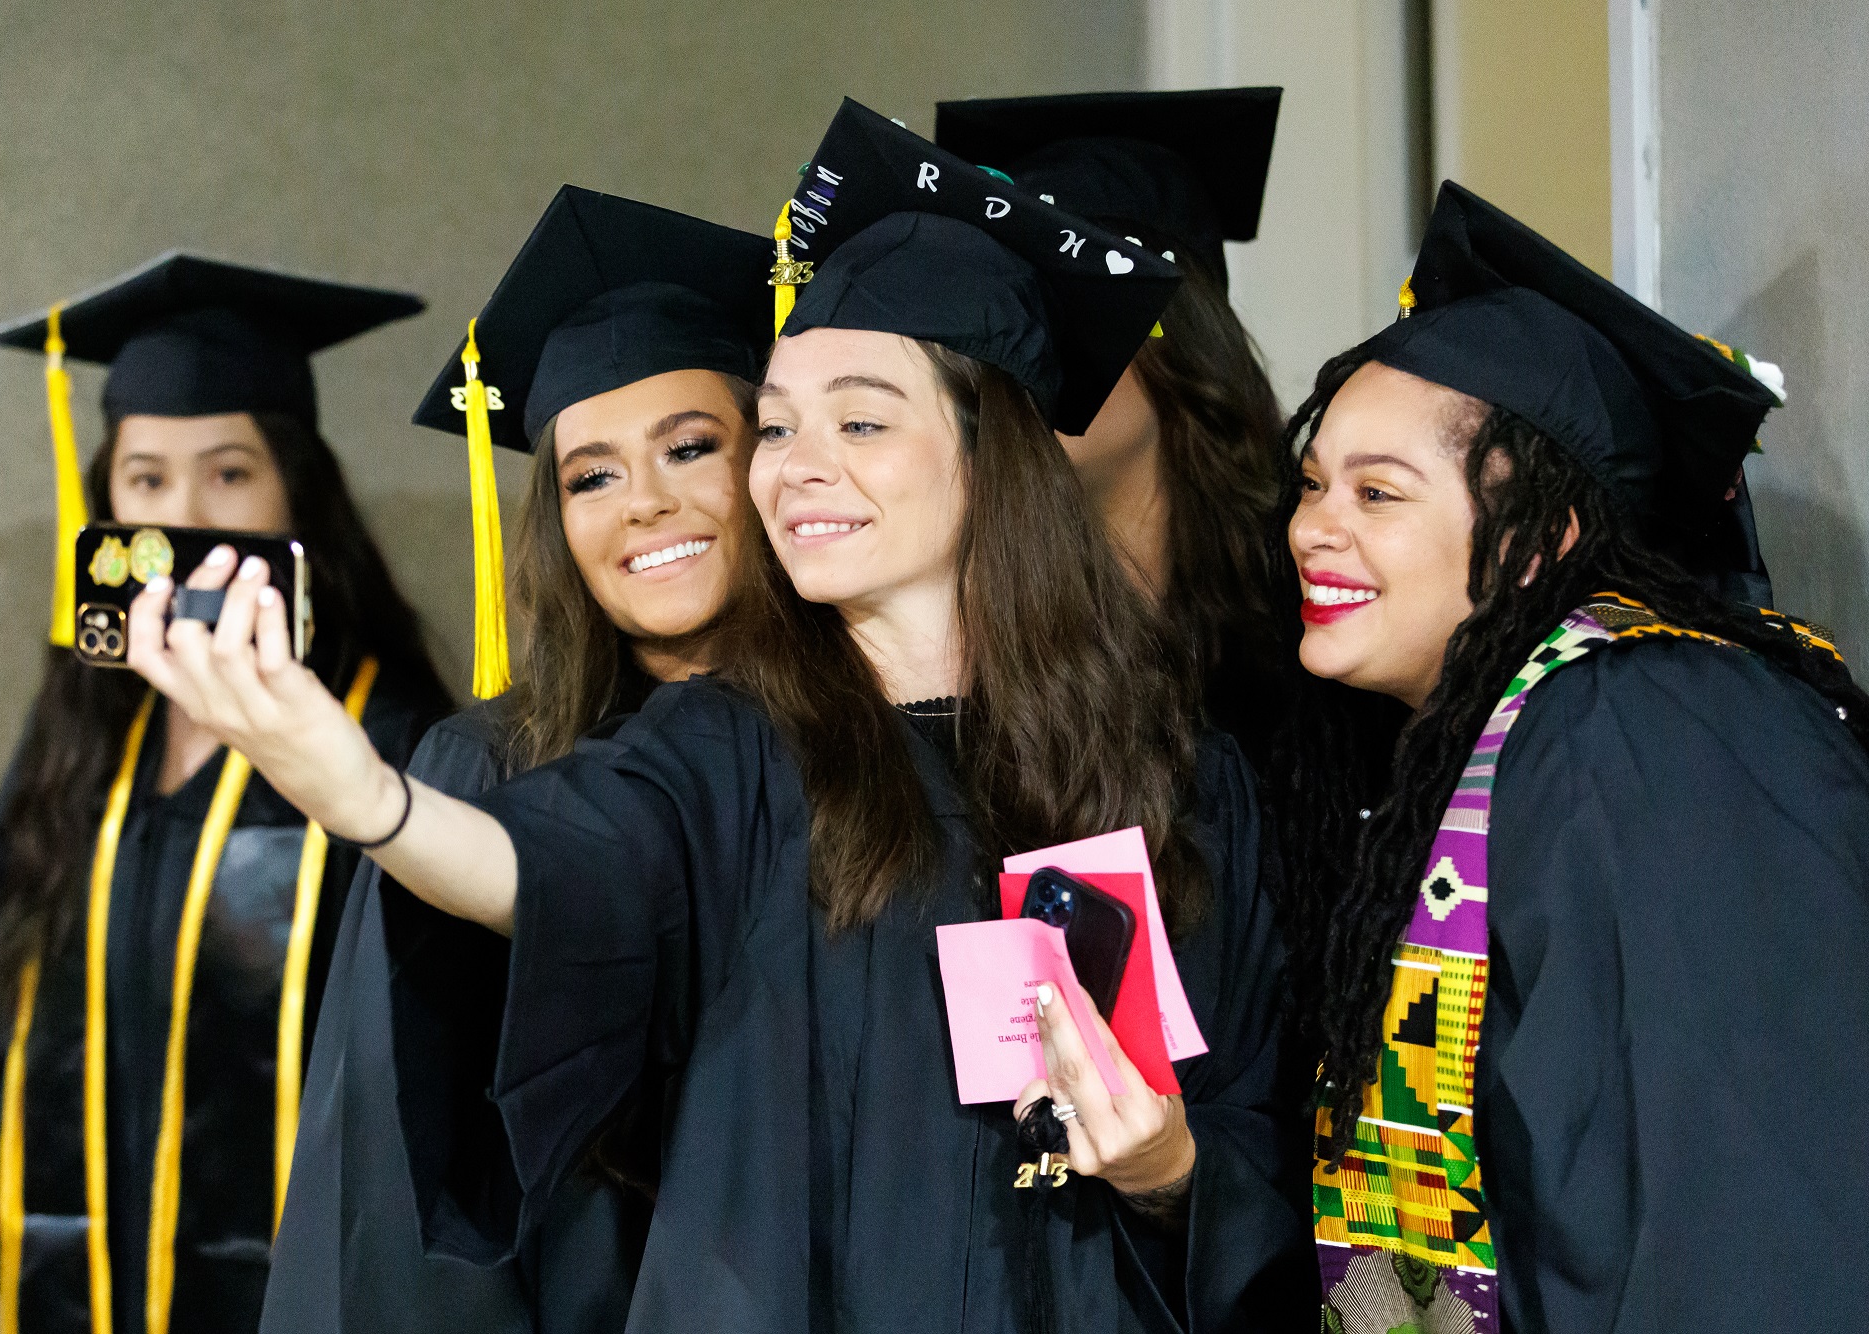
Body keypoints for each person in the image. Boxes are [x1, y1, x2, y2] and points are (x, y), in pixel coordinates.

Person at [124, 101, 1312, 1332]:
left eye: (857, 420)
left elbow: (1244, 1158)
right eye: (780, 424)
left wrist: (1166, 1169)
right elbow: (557, 861)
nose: (794, 464)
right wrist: (368, 797)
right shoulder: (735, 748)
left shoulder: (1177, 776)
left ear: (986, 451)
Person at [1271, 183, 1869, 1331]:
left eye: (1376, 492)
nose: (1310, 526)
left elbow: (1750, 1208)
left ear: (1541, 541)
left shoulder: (1651, 725)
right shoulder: (1509, 736)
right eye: (1311, 482)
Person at [0, 254, 451, 1334]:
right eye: (145, 480)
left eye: (229, 472)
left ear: (295, 495)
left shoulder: (389, 742)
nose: (186, 515)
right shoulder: (88, 735)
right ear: (106, 508)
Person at [258, 186, 773, 1334]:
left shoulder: (876, 746)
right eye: (590, 474)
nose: (643, 502)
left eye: (691, 447)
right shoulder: (482, 772)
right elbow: (392, 1183)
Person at [936, 88, 1289, 760]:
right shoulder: (950, 658)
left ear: (1178, 347)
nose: (1016, 351)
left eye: (1058, 309)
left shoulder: (1309, 653)